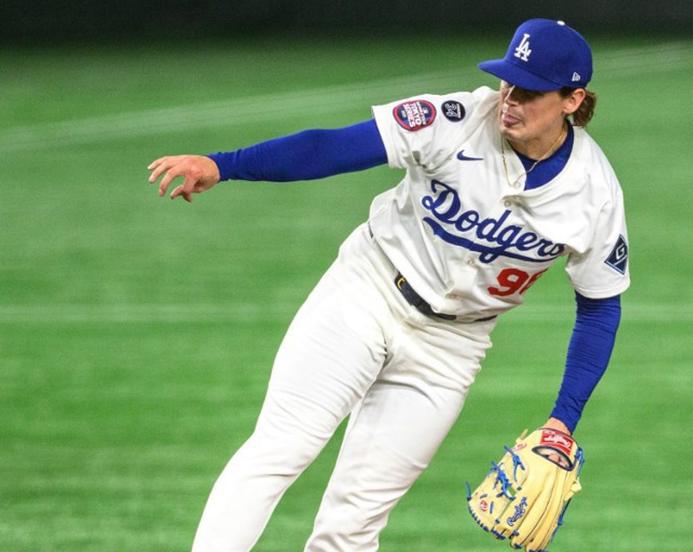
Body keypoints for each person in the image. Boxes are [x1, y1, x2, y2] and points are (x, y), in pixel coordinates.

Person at [147, 18, 629, 552]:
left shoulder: (594, 193)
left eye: (529, 91)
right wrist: (223, 165)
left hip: (453, 346)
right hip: (367, 292)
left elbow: (600, 308)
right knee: (282, 449)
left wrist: (564, 419)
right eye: (506, 82)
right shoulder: (453, 119)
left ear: (571, 99)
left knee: (354, 525)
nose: (509, 99)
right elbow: (330, 148)